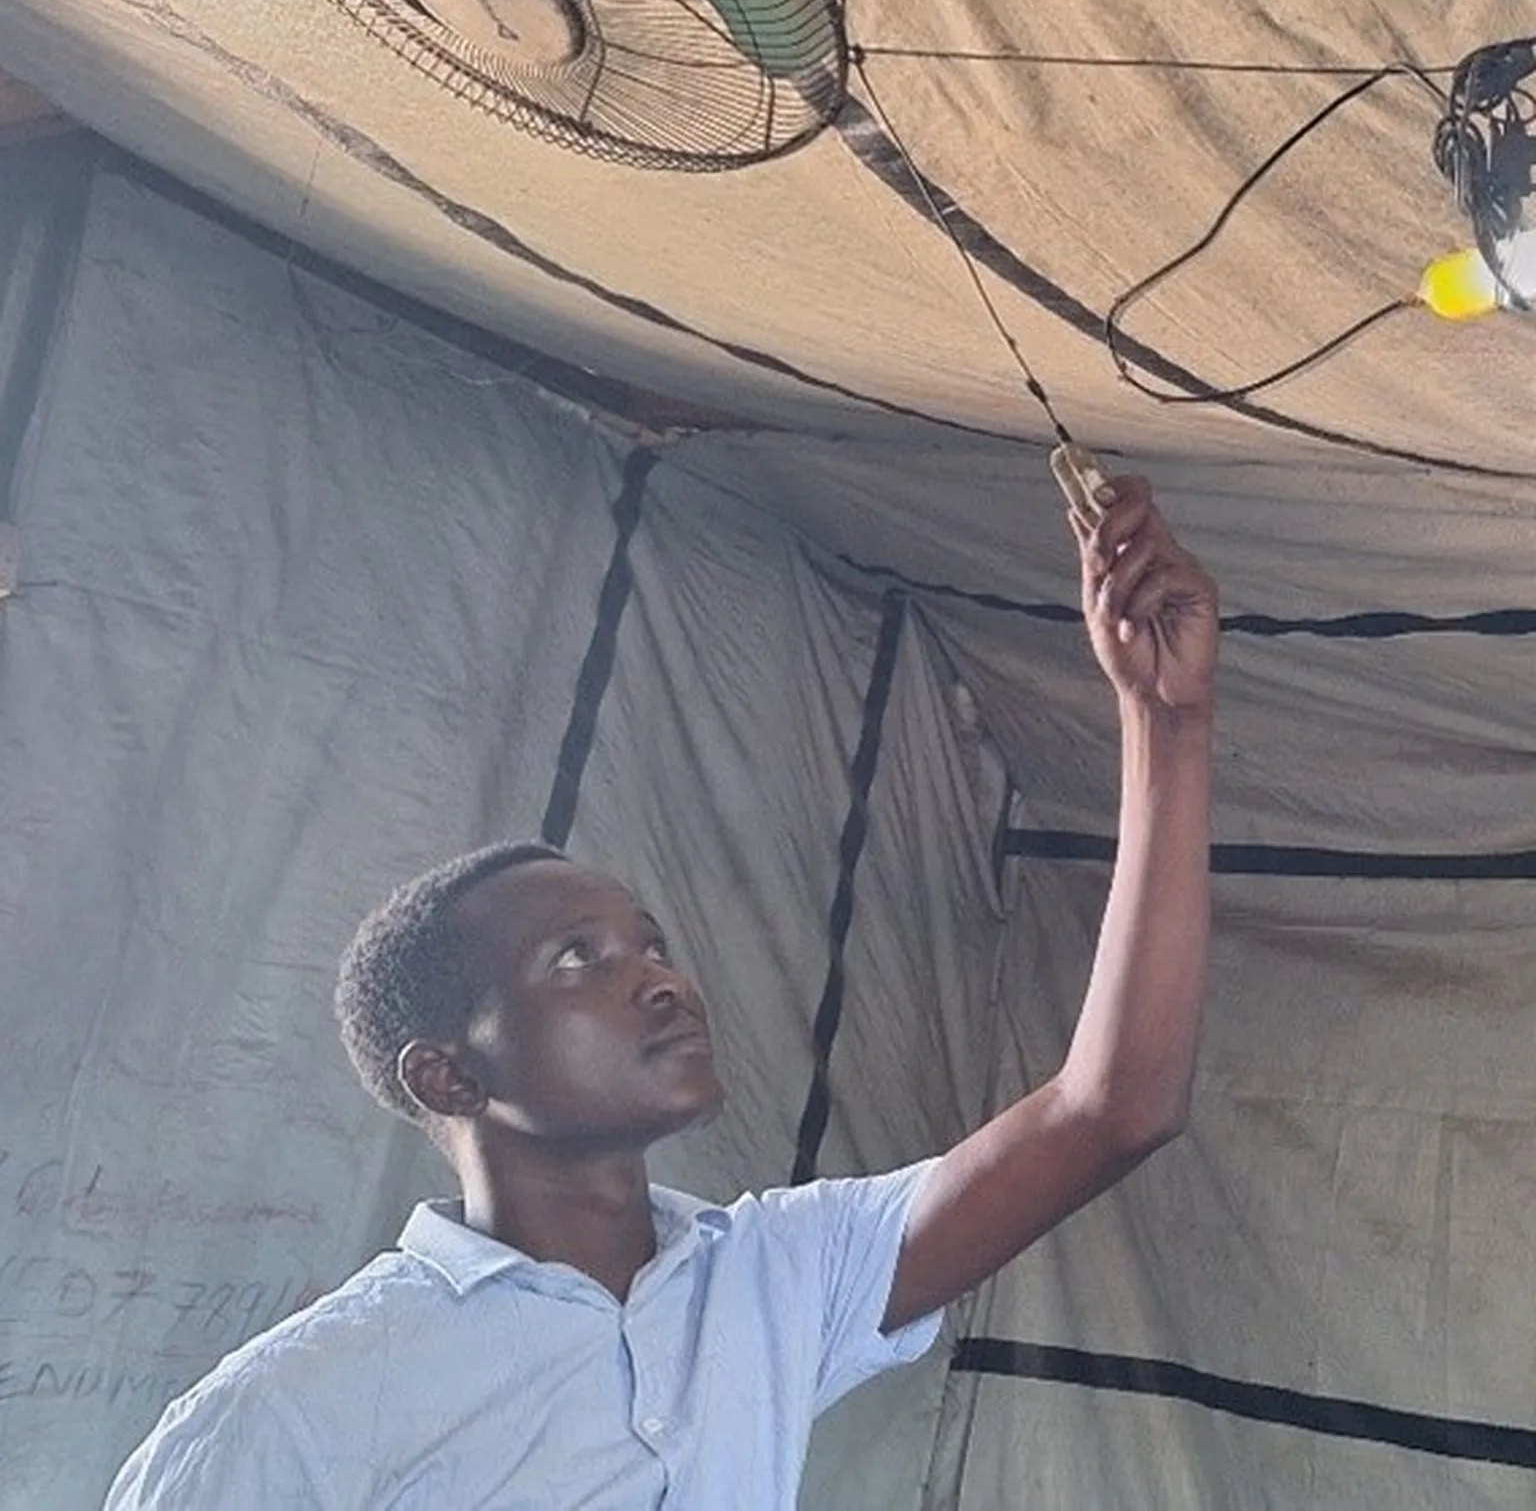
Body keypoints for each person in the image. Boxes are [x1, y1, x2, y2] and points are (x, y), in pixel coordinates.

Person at [104, 475, 1218, 1509]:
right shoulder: (289, 1411)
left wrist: (1165, 723)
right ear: (448, 1072)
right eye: (575, 960)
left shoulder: (775, 1278)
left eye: (650, 943)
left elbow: (1112, 1108)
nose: (658, 980)